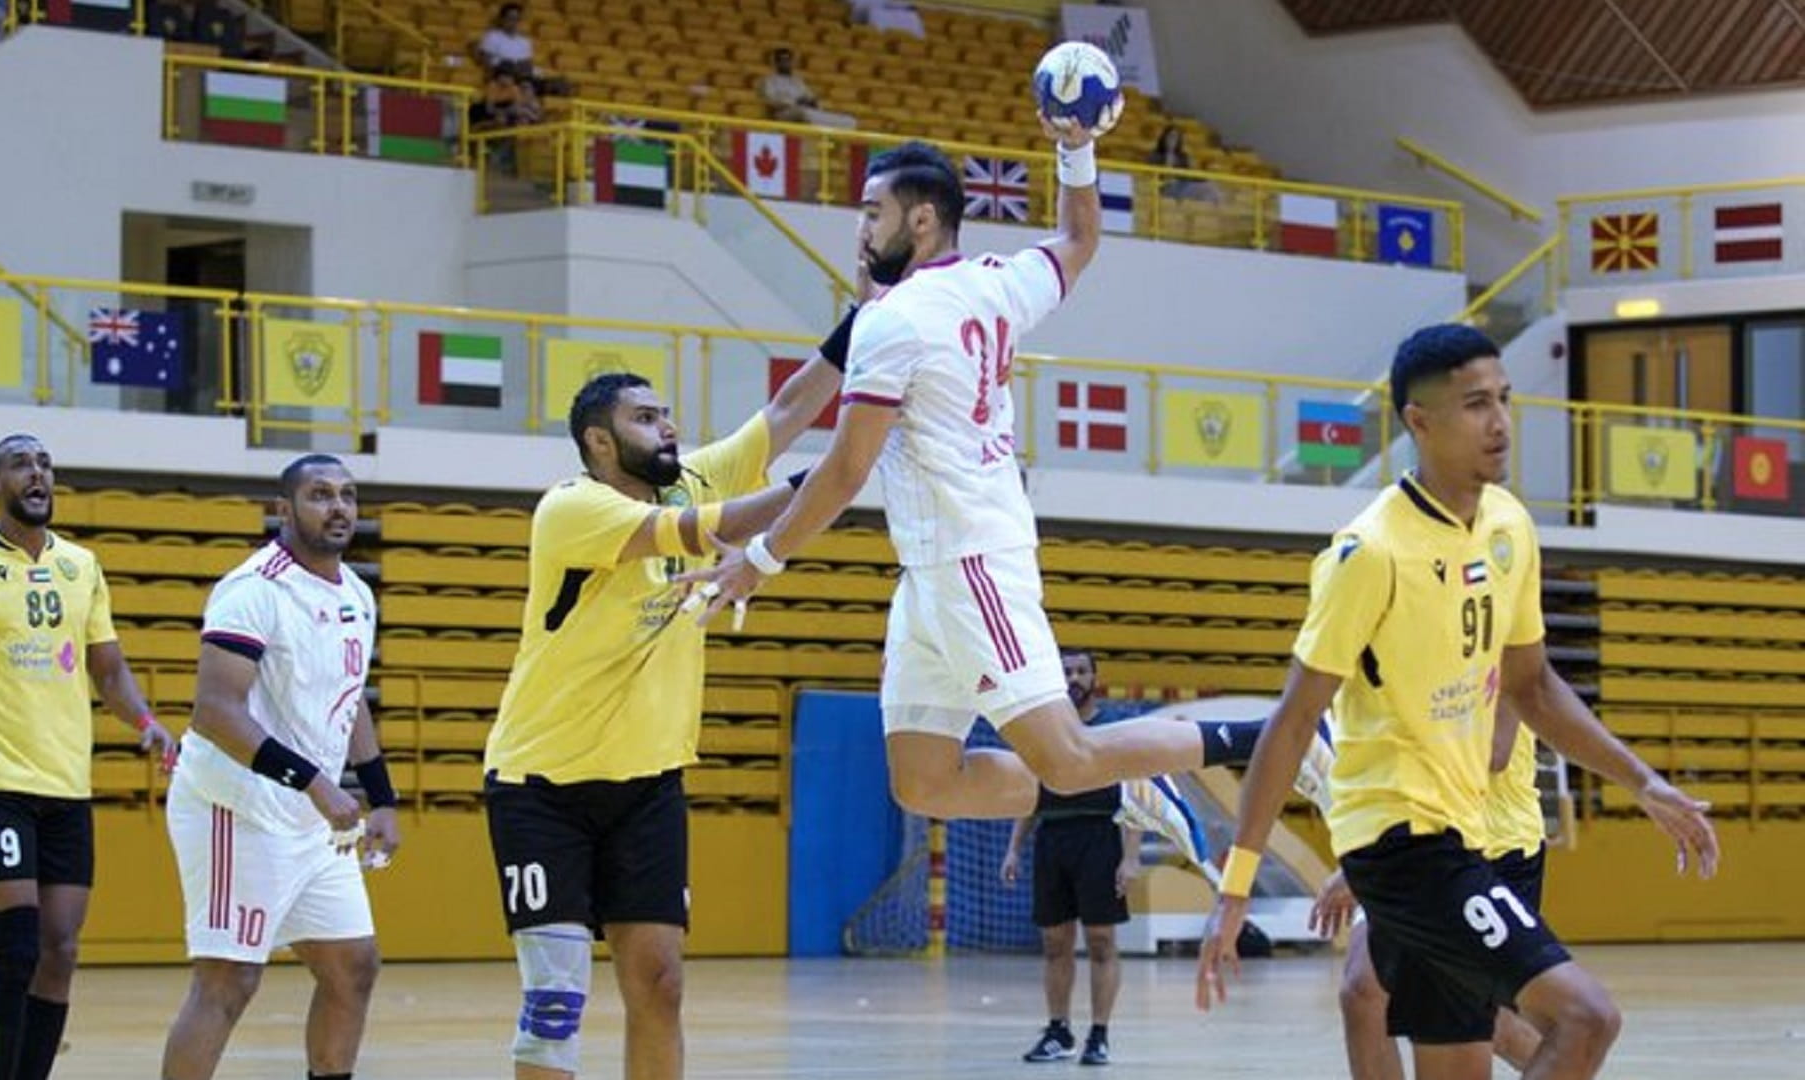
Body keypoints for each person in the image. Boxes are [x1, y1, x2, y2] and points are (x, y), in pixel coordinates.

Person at [679, 118, 1333, 837]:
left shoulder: (892, 322)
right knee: (925, 782)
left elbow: (845, 469)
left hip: (972, 560)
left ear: (921, 219)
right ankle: (1119, 798)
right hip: (930, 574)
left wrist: (762, 560)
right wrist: (1076, 147)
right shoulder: (998, 282)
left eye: (872, 213)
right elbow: (1080, 241)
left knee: (1072, 756)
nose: (861, 232)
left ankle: (1281, 740)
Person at [1196, 325, 1720, 1080]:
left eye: (1505, 399)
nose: (1501, 422)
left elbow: (1533, 687)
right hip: (1404, 844)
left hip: (1476, 833)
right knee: (1586, 1019)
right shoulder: (1368, 553)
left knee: (1458, 1065)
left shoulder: (1508, 524)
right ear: (1419, 422)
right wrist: (1236, 888)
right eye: (1476, 405)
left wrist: (1643, 782)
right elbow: (1293, 721)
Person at [481, 337, 851, 1080]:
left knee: (661, 985)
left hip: (647, 786)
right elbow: (705, 531)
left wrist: (869, 314)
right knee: (556, 1005)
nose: (668, 429)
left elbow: (790, 407)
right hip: (541, 787)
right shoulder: (573, 507)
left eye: (668, 415)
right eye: (647, 418)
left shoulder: (690, 478)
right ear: (600, 440)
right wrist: (836, 474)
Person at [0, 433, 177, 1080]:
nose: (37, 473)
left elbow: (109, 669)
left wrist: (147, 721)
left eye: (44, 464)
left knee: (60, 951)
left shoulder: (83, 566)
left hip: (67, 787)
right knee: (16, 948)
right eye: (21, 464)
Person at [159, 454, 398, 1080]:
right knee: (229, 980)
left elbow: (350, 702)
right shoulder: (254, 589)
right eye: (320, 495)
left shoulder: (357, 593)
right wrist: (318, 784)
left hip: (309, 818)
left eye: (347, 495)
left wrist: (384, 797)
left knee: (354, 964)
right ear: (284, 510)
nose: (339, 507)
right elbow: (215, 710)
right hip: (235, 808)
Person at [1313, 712, 1547, 1079]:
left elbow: (1491, 755)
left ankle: (1571, 1062)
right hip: (1417, 839)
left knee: (1487, 1024)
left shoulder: (1499, 655)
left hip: (1494, 845)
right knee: (1361, 993)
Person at [999, 648, 1143, 1067]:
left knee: (1101, 941)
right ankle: (1058, 1030)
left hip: (1099, 838)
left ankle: (1099, 1035)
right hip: (1053, 839)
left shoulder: (1111, 733)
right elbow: (1029, 796)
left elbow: (1134, 798)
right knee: (1054, 943)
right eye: (1067, 671)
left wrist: (1129, 858)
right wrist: (1013, 849)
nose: (1075, 678)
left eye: (1082, 671)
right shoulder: (1043, 737)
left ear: (1095, 678)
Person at [759, 47, 856, 129]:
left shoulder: (797, 81)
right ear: (776, 63)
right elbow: (770, 99)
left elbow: (809, 96)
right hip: (782, 113)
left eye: (789, 60)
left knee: (848, 120)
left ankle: (843, 124)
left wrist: (811, 101)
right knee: (805, 113)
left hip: (804, 109)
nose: (786, 63)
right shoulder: (769, 81)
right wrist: (794, 102)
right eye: (783, 60)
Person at [476, 2, 533, 73]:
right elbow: (486, 61)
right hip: (499, 74)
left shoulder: (525, 42)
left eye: (516, 19)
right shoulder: (492, 36)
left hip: (519, 76)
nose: (513, 22)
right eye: (510, 18)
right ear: (502, 19)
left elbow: (526, 64)